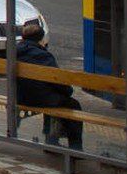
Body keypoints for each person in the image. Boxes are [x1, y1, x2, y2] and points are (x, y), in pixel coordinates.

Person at [15, 20, 83, 150]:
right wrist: (67, 91)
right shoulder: (43, 56)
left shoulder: (14, 52)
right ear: (41, 39)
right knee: (72, 104)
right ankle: (75, 146)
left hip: (19, 96)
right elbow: (57, 81)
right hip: (40, 99)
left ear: (23, 38)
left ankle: (52, 139)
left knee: (51, 98)